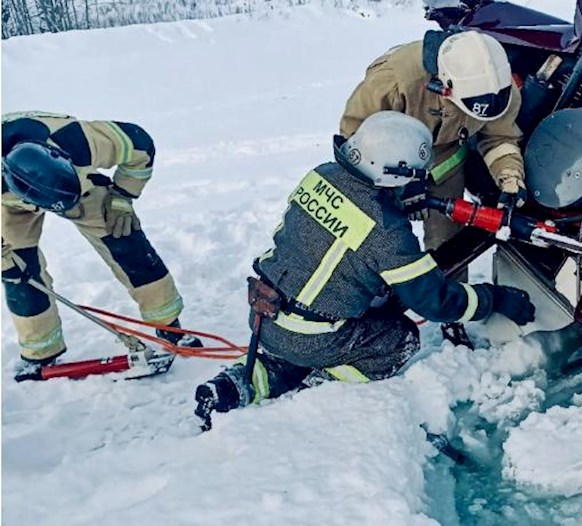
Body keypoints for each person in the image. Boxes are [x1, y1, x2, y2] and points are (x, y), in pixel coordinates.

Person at [194, 111, 535, 422]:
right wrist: (496, 299)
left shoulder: (322, 175)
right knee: (399, 338)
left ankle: (235, 384)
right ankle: (317, 382)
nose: (418, 184)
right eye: (413, 178)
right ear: (392, 173)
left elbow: (343, 231)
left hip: (265, 315)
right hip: (311, 336)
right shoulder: (386, 233)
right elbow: (435, 302)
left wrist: (392, 202)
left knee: (306, 337)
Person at [340, 29, 527, 349]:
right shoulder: (394, 80)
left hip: (444, 157)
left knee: (448, 239)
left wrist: (510, 178)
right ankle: (361, 301)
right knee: (377, 236)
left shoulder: (499, 88)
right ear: (445, 86)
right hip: (384, 158)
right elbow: (354, 138)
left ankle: (451, 315)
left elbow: (499, 137)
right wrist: (401, 183)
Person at [1, 111, 201, 382]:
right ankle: (41, 352)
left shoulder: (80, 140)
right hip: (9, 205)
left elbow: (141, 145)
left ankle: (169, 326)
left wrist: (122, 197)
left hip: (80, 188)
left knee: (126, 241)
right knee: (19, 276)